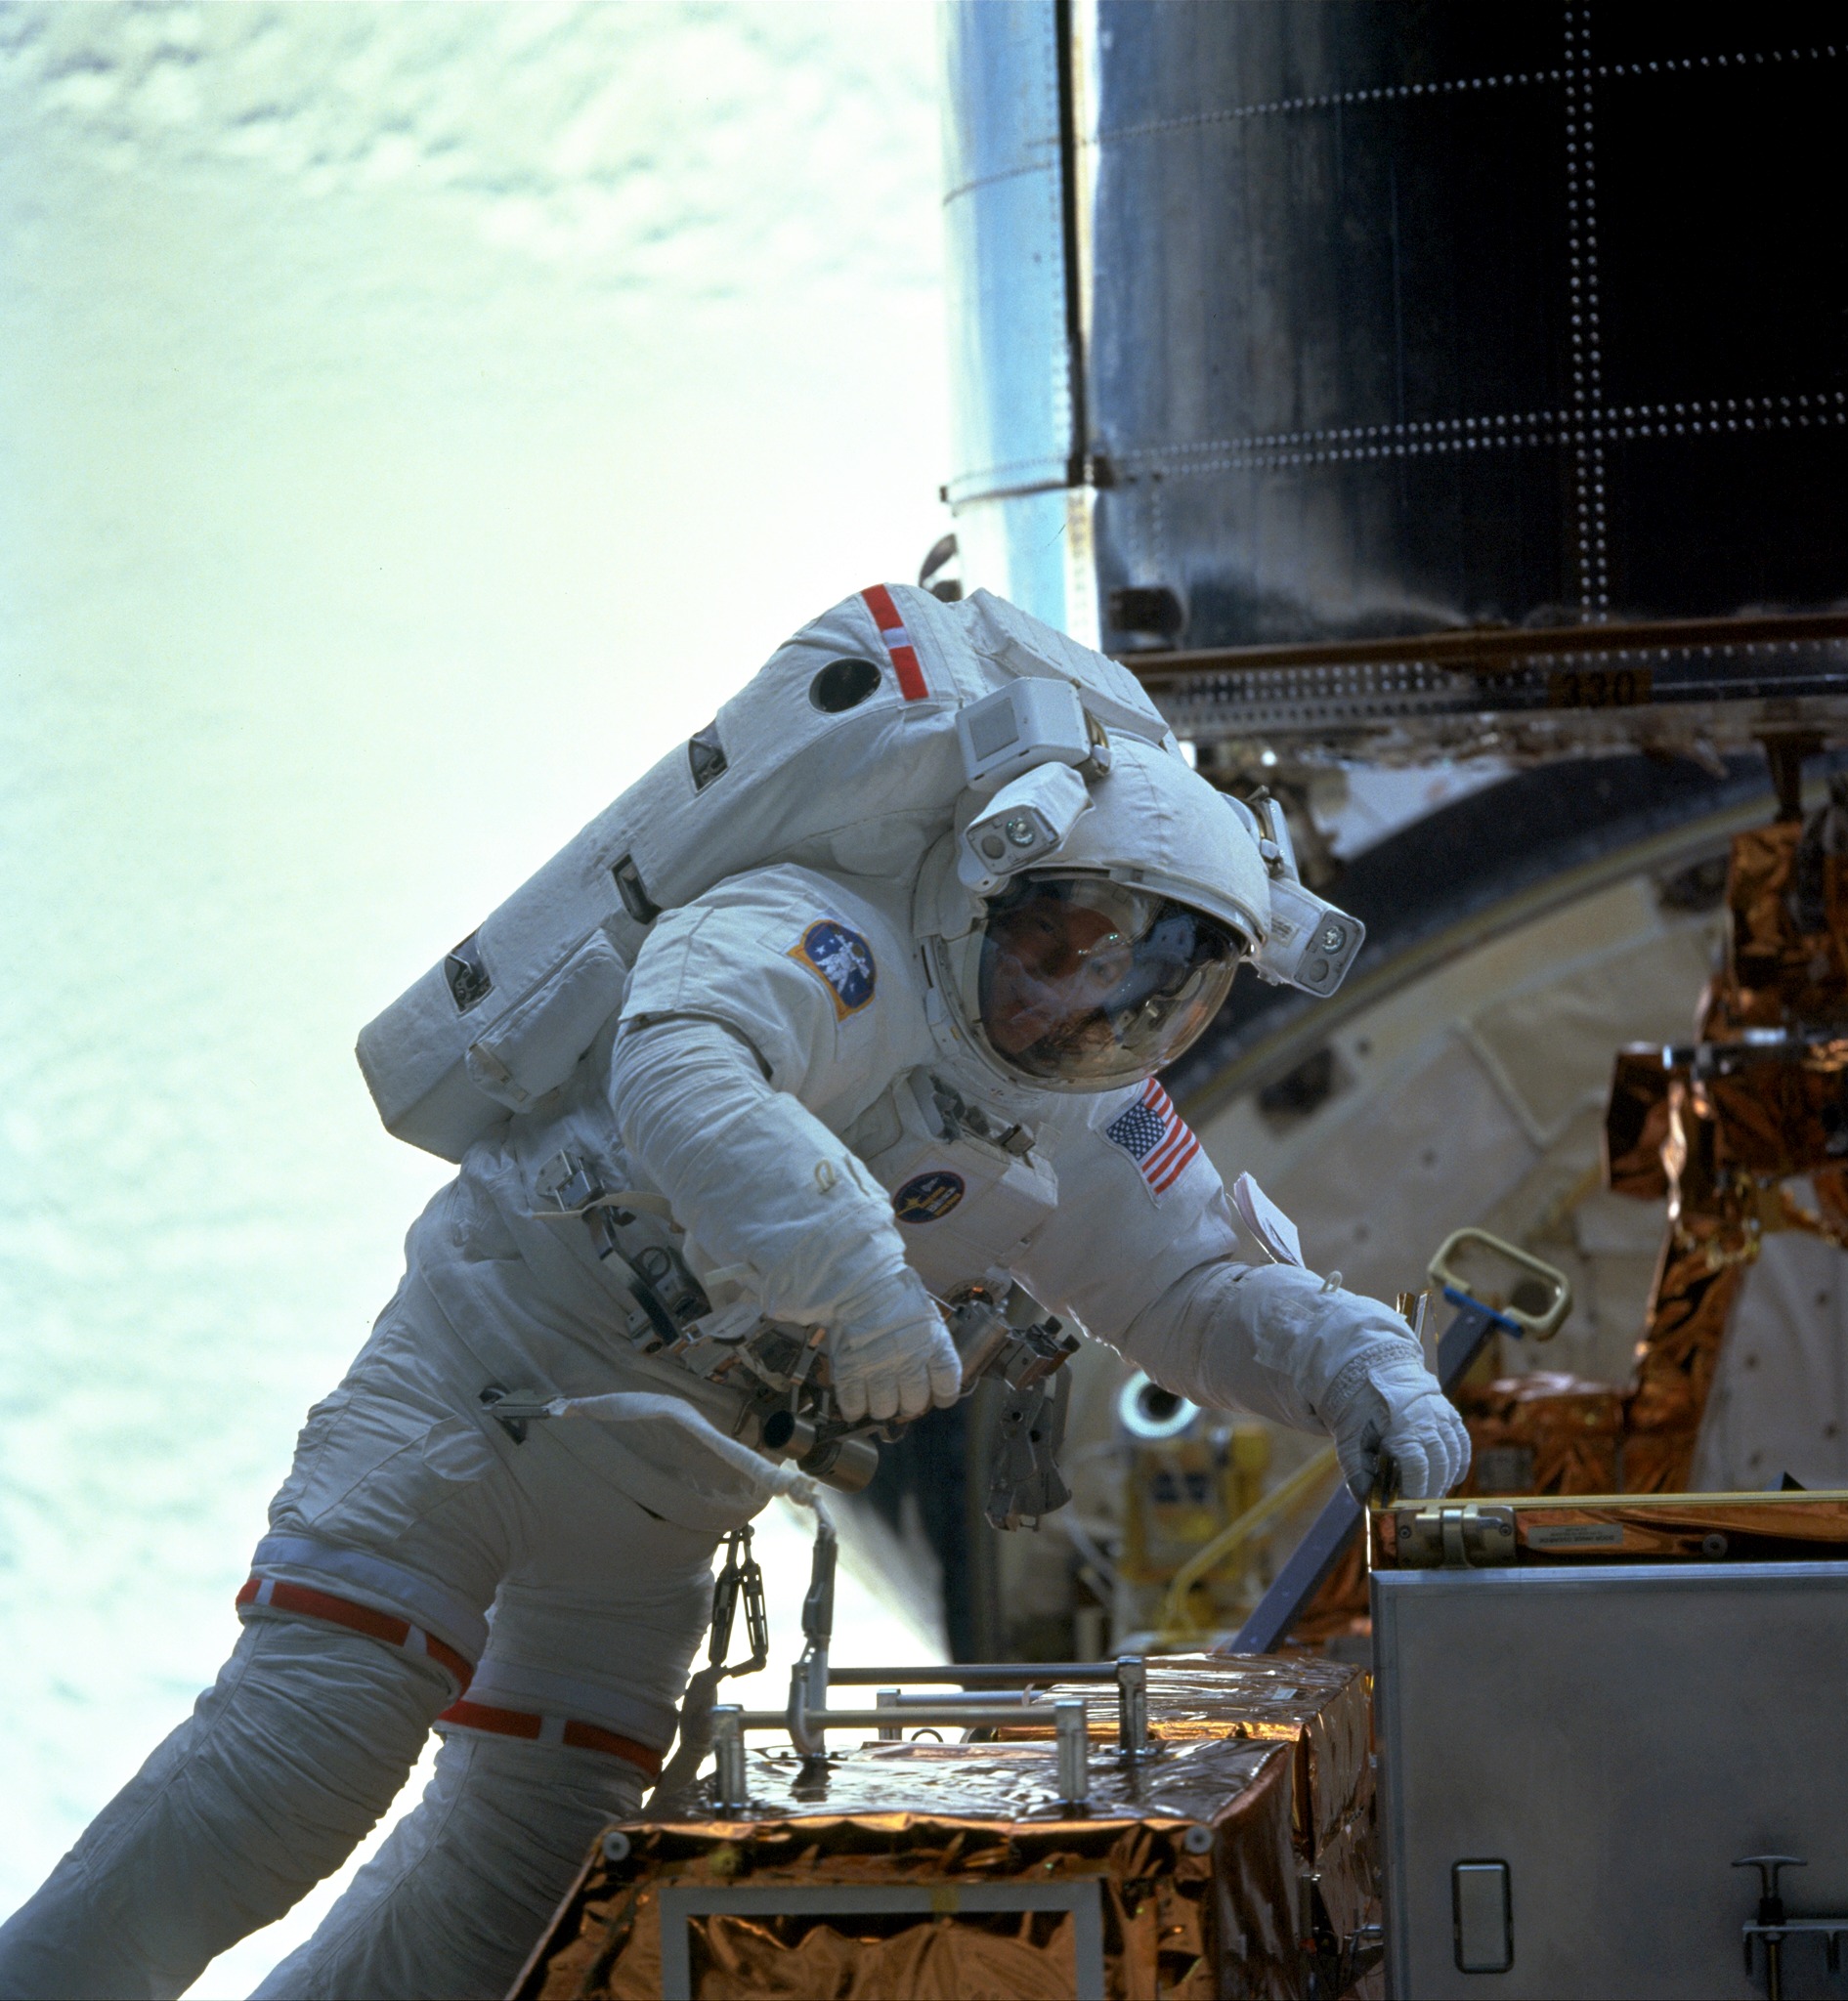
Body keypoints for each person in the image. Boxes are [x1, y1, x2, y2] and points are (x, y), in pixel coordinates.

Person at [0, 589, 1468, 2000]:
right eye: (1058, 943)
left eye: (1148, 984)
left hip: (654, 1512)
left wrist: (1365, 1371)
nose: (1076, 1007)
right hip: (479, 1394)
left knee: (510, 1893)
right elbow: (681, 1063)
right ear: (984, 878)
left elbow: (1199, 1283)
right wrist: (862, 1286)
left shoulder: (1073, 1111)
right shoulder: (828, 935)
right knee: (288, 1774)